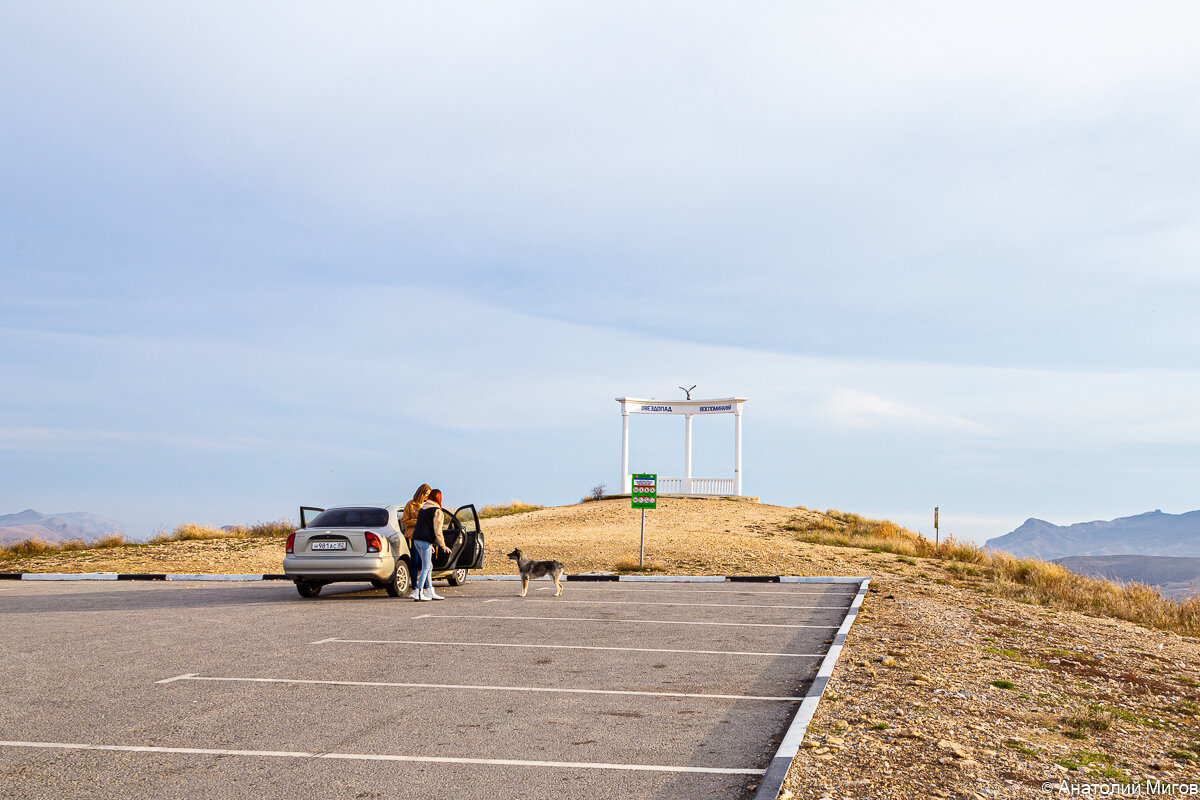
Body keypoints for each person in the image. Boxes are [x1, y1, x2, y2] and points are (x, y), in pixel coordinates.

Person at [411, 488, 451, 601]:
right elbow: (437, 530)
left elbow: (423, 527)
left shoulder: (423, 508)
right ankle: (419, 593)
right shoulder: (437, 511)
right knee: (426, 567)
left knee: (429, 566)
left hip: (417, 540)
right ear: (439, 498)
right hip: (424, 542)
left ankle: (430, 591)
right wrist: (443, 545)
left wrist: (431, 544)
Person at [401, 484, 431, 599]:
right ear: (421, 493)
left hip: (426, 537)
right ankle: (414, 588)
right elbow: (405, 520)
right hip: (413, 537)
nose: (427, 497)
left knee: (426, 564)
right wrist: (419, 521)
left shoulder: (429, 505)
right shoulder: (410, 504)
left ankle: (426, 588)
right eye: (426, 494)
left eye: (429, 494)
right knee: (415, 562)